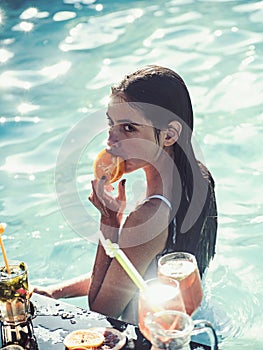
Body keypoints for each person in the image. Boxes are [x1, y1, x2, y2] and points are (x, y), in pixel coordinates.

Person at [33, 65, 218, 324]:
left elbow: (102, 311)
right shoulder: (199, 179)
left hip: (152, 335)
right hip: (193, 323)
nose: (110, 140)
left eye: (129, 128)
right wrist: (57, 292)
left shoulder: (147, 216)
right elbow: (130, 272)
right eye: (111, 123)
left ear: (169, 135)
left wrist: (109, 221)